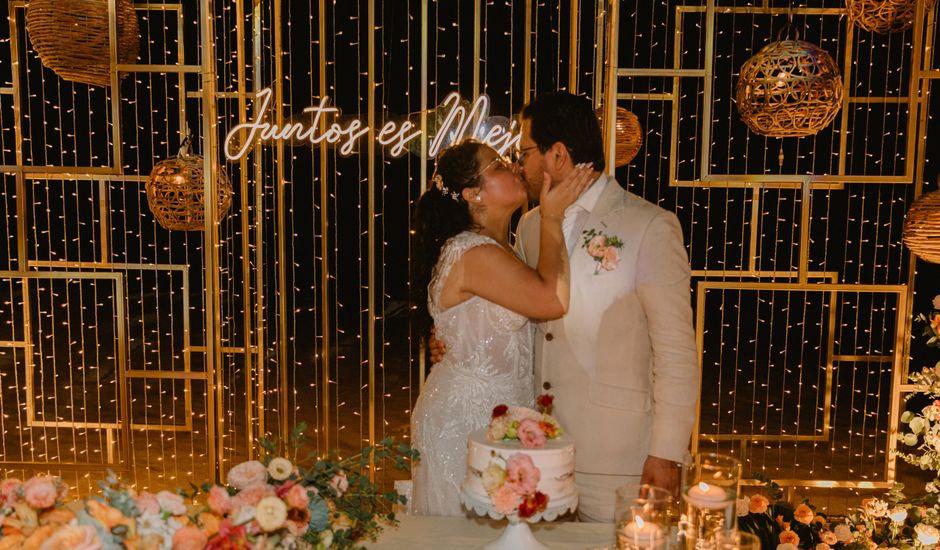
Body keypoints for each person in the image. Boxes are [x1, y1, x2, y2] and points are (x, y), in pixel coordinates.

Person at [432, 92, 699, 522]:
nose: (519, 164)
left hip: (618, 458)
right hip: (536, 456)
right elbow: (518, 315)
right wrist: (453, 341)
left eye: (525, 152)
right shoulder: (533, 225)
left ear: (557, 155)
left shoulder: (648, 226)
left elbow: (676, 353)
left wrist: (666, 453)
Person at [409, 139, 594, 516]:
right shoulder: (474, 253)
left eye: (511, 160)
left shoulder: (506, 245)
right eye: (497, 166)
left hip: (499, 413)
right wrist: (553, 217)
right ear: (473, 193)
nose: (513, 167)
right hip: (466, 419)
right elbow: (550, 301)